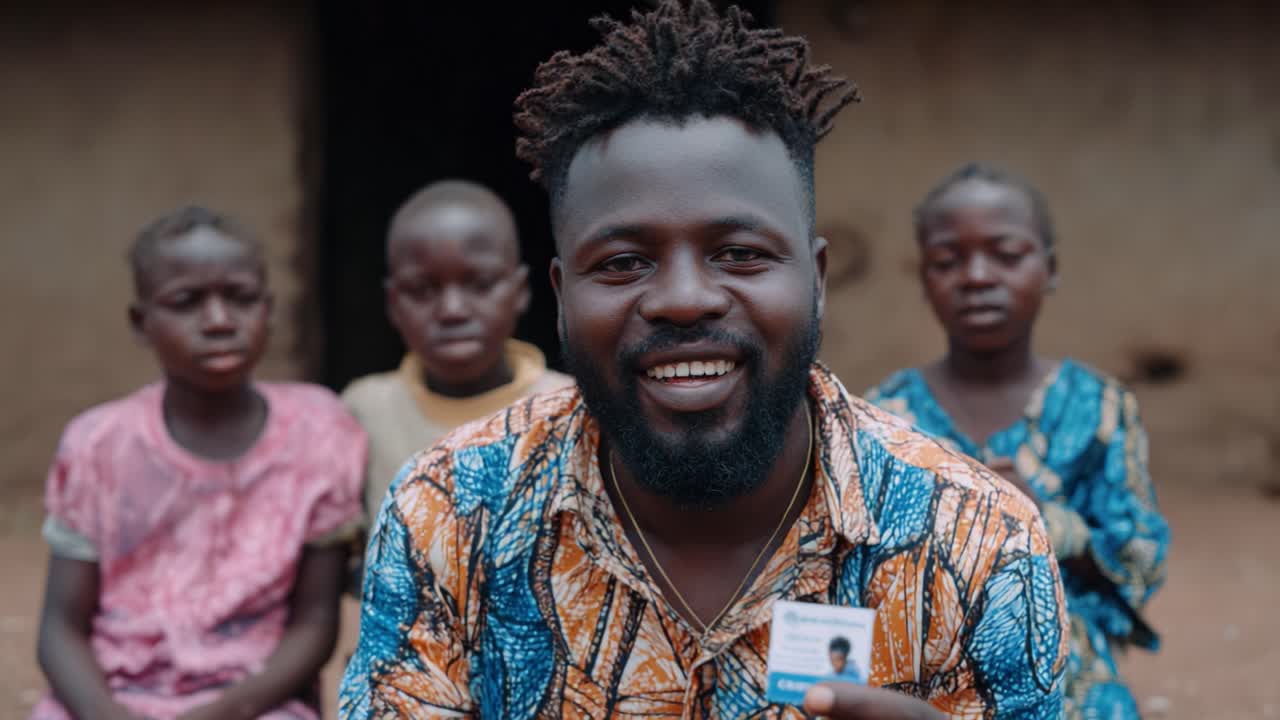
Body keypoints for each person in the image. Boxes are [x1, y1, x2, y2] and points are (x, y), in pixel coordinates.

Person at [339, 2, 1069, 718]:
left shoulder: (978, 543)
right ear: (561, 297)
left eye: (740, 254)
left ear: (815, 282)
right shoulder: (447, 516)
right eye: (624, 262)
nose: (684, 299)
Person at [32, 207, 366, 720]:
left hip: (255, 702)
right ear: (141, 323)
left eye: (241, 298)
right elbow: (60, 629)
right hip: (111, 698)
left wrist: (220, 713)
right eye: (186, 302)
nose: (218, 321)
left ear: (269, 308)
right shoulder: (97, 445)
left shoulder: (320, 434)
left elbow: (316, 621)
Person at [866, 162, 1170, 718]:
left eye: (1006, 255)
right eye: (947, 261)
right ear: (924, 282)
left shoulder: (1099, 408)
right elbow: (851, 561)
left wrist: (1046, 520)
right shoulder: (887, 417)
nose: (977, 276)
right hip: (926, 676)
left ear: (1049, 269)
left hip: (1071, 678)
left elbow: (1140, 561)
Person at [340, 179, 572, 530]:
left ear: (521, 291)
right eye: (421, 289)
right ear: (392, 303)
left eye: (480, 284)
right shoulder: (364, 410)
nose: (452, 310)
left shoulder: (571, 407)